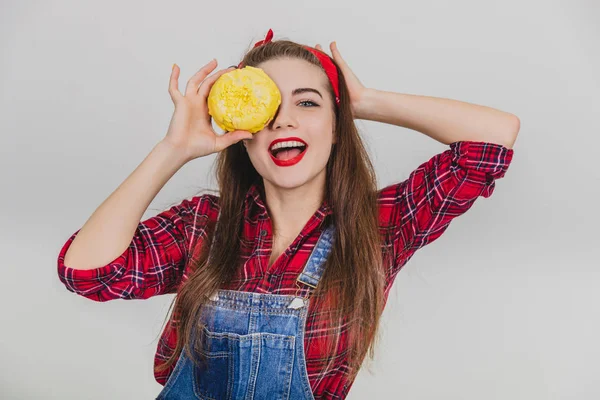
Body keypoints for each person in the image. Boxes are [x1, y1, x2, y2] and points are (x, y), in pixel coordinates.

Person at [56, 29, 518, 399]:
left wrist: (365, 102)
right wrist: (173, 149)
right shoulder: (205, 224)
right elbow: (87, 272)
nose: (284, 120)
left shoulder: (378, 226)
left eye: (307, 102)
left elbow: (494, 139)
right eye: (269, 106)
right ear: (245, 132)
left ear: (337, 126)